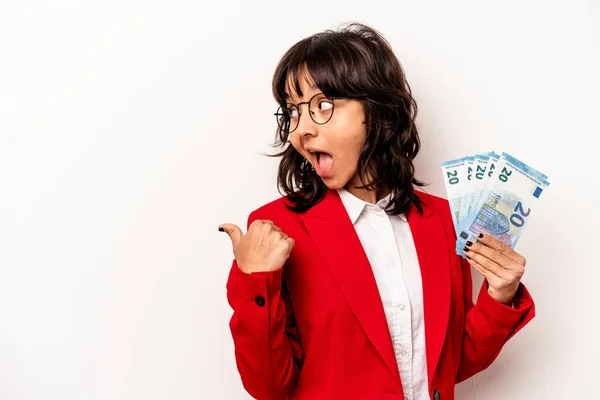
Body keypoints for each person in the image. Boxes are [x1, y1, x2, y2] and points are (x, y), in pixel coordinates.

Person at [218, 22, 534, 400]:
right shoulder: (278, 228)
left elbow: (452, 363)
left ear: (377, 108)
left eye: (322, 105)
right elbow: (270, 387)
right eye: (292, 112)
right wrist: (256, 280)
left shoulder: (442, 222)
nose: (298, 130)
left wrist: (500, 296)